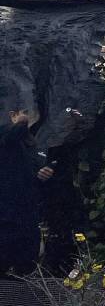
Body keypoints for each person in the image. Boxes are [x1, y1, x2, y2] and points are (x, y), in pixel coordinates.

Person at [0, 109, 52, 275]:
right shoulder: (7, 136)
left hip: (26, 213)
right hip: (6, 215)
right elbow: (9, 140)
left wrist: (42, 174)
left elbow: (30, 174)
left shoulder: (31, 144)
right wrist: (20, 123)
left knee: (26, 261)